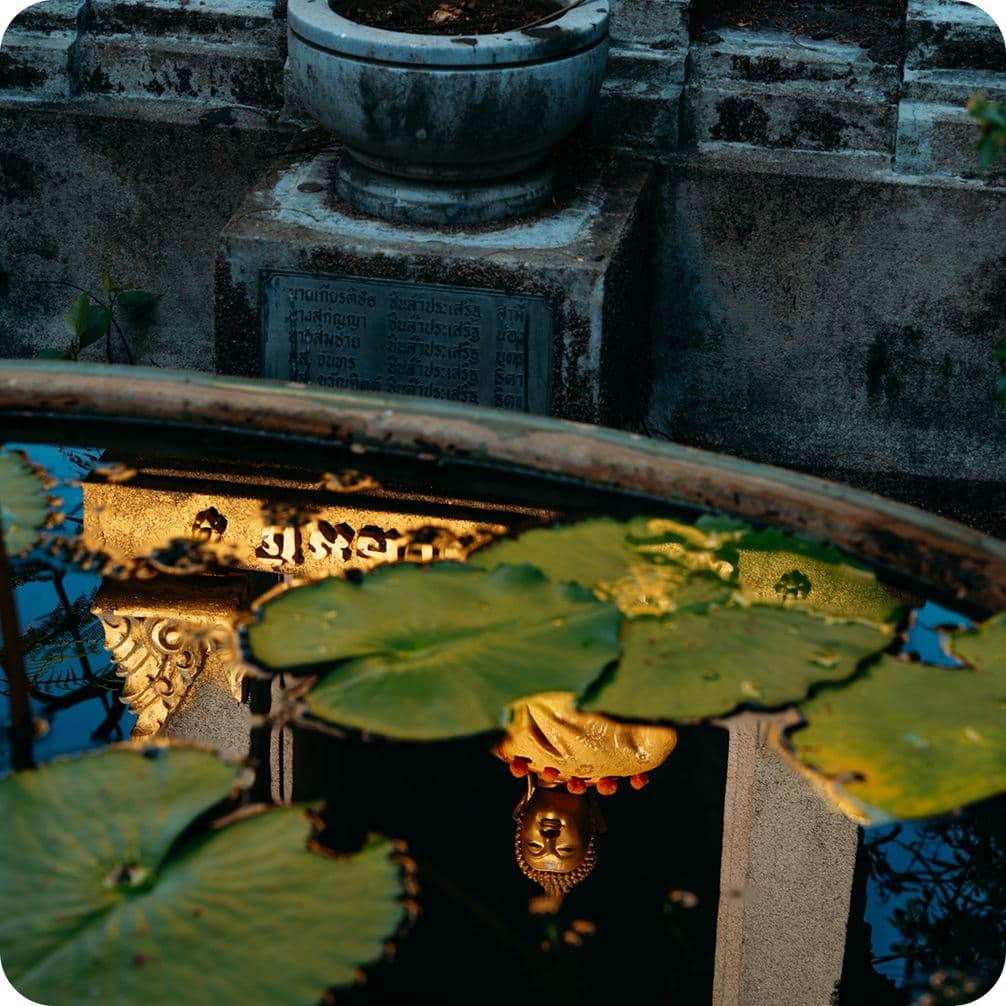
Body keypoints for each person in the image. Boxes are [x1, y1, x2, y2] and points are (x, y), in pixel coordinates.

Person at [495, 691, 679, 901]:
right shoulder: (642, 754)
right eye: (565, 849)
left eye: (534, 846)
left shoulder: (503, 741)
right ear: (593, 820)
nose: (549, 838)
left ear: (520, 813)